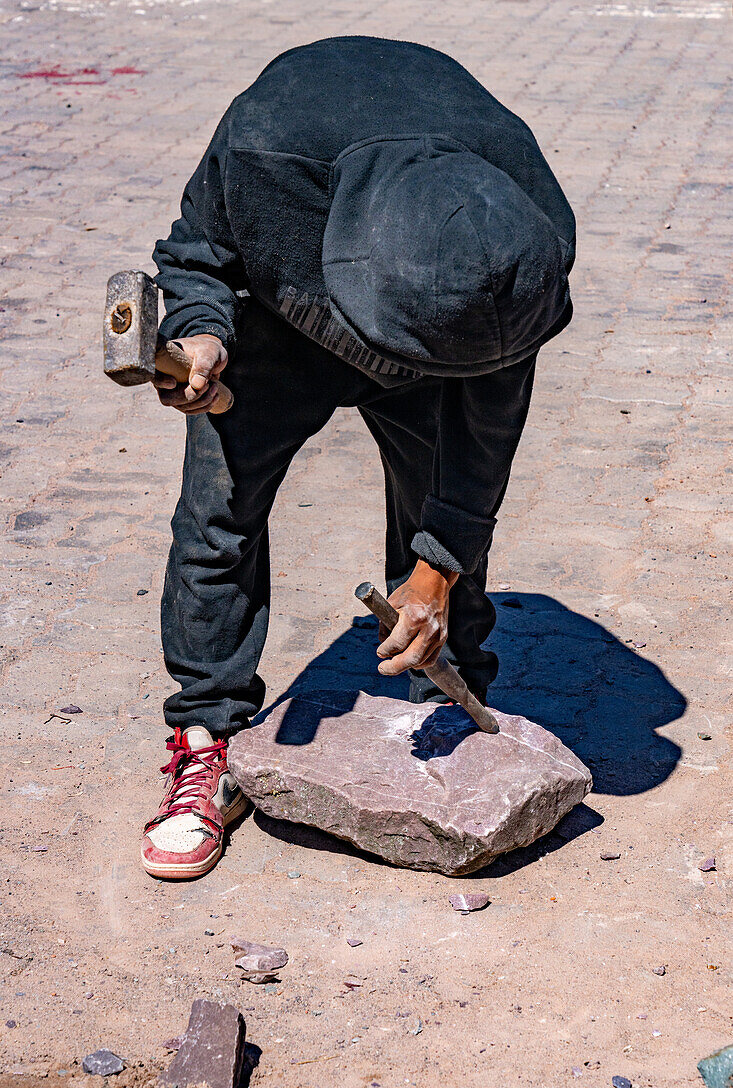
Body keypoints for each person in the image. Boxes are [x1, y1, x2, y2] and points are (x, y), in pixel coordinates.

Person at [141, 35, 576, 880]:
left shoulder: (520, 236)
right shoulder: (271, 141)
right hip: (272, 326)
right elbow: (194, 255)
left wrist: (437, 566)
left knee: (440, 527)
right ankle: (207, 739)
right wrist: (198, 330)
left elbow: (485, 433)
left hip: (434, 335)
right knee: (217, 523)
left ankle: (448, 706)